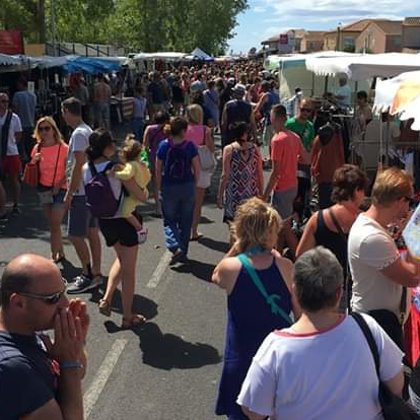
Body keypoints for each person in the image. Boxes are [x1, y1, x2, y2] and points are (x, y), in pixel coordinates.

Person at [238, 246, 404, 420]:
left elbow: (253, 411)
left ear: (294, 290)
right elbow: (396, 384)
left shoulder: (276, 348)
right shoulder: (367, 327)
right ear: (339, 293)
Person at [212, 197, 298, 420]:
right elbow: (299, 316)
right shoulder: (286, 267)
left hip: (242, 360)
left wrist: (236, 246)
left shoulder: (231, 268)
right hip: (278, 360)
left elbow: (215, 275)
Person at [0, 254, 89, 419]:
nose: (65, 304)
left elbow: (78, 373)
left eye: (63, 291)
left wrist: (76, 343)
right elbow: (72, 375)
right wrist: (69, 363)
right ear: (19, 302)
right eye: (53, 298)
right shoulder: (13, 368)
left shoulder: (29, 329)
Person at [82, 129, 148, 327]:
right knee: (129, 271)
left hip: (104, 221)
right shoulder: (116, 168)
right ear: (107, 147)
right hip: (124, 220)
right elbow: (141, 196)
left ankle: (107, 298)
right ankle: (128, 316)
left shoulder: (87, 168)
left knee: (121, 258)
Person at [349, 167, 420, 348]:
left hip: (380, 321)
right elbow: (413, 277)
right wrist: (414, 234)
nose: (408, 208)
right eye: (408, 202)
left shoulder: (371, 227)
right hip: (377, 325)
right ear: (398, 201)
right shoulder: (371, 237)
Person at [61, 97, 103, 294]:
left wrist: (69, 193)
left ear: (68, 111)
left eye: (63, 112)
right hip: (90, 189)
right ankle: (95, 272)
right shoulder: (87, 129)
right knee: (92, 232)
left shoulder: (79, 133)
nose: (63, 116)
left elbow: (78, 164)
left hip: (81, 192)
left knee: (75, 235)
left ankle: (87, 274)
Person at [263, 104, 309, 258]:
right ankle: (278, 253)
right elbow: (305, 158)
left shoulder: (277, 140)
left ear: (277, 118)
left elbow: (276, 172)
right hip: (292, 184)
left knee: (283, 226)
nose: (270, 120)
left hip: (282, 187)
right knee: (282, 223)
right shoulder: (294, 137)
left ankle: (299, 256)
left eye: (272, 117)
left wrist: (265, 193)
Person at [155, 116, 200, 263]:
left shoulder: (163, 145)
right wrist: (195, 183)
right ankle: (183, 251)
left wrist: (158, 188)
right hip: (187, 185)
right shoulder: (190, 146)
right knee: (186, 220)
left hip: (169, 186)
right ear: (182, 131)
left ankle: (174, 245)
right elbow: (196, 167)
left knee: (169, 219)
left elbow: (158, 169)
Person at [30, 116, 69, 263]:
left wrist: (59, 185)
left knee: (55, 221)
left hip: (61, 188)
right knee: (53, 224)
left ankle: (53, 256)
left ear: (54, 129)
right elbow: (32, 169)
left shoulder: (63, 148)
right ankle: (60, 251)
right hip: (44, 188)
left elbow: (69, 170)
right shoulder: (37, 148)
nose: (44, 132)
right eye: (41, 129)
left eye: (47, 128)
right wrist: (34, 161)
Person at [217, 122, 263, 244]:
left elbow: (224, 175)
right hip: (250, 193)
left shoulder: (229, 149)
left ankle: (234, 254)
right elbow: (259, 173)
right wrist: (261, 192)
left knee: (233, 229)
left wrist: (220, 196)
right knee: (248, 228)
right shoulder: (254, 149)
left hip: (234, 194)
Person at [113, 135, 150, 244]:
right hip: (143, 189)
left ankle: (140, 229)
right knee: (130, 209)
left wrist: (114, 174)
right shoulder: (141, 164)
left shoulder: (131, 165)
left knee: (125, 212)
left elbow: (126, 175)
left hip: (134, 194)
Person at [185, 104, 215, 240]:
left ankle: (183, 229)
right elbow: (212, 148)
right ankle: (194, 231)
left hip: (185, 165)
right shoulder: (205, 130)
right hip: (200, 168)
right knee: (197, 202)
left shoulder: (183, 129)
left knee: (185, 201)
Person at [285, 98, 315, 220]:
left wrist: (310, 161)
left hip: (304, 165)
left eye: (308, 111)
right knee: (290, 191)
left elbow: (311, 144)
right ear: (299, 108)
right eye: (303, 110)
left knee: (302, 191)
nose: (305, 113)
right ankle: (289, 216)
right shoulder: (290, 124)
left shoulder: (310, 126)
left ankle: (299, 217)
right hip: (291, 163)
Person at [311, 121, 345, 208]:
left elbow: (314, 157)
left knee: (324, 206)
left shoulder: (318, 138)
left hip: (323, 177)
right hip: (335, 175)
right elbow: (342, 155)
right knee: (334, 205)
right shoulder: (337, 136)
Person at [143, 111, 170, 216]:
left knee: (155, 182)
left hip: (154, 155)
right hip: (167, 155)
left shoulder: (149, 129)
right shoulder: (168, 128)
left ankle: (158, 208)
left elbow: (145, 144)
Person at [0, 92, 23, 215]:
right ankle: (2, 207)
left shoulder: (14, 118)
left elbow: (18, 134)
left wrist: (12, 142)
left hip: (11, 152)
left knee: (14, 180)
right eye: (1, 101)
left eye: (6, 101)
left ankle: (16, 204)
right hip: (0, 153)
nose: (3, 104)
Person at [12, 78, 37, 162]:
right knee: (30, 147)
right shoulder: (33, 95)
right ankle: (32, 163)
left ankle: (23, 165)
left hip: (20, 125)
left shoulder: (17, 95)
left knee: (21, 148)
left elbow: (15, 110)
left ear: (20, 84)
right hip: (31, 124)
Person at [253, 80, 280, 159]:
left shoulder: (266, 95)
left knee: (265, 142)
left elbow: (258, 108)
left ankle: (265, 159)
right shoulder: (276, 94)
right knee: (274, 141)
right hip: (277, 121)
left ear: (263, 87)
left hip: (269, 121)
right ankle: (274, 158)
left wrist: (251, 115)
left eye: (260, 86)